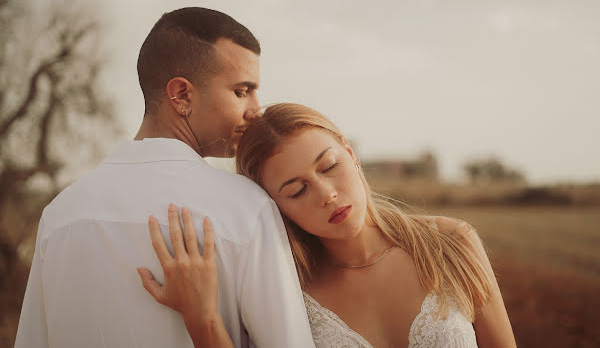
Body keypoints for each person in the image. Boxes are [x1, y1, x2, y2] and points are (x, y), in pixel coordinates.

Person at [15, 9, 315, 347]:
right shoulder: (247, 209)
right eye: (242, 91)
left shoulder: (60, 215)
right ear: (182, 95)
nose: (256, 109)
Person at [142, 103, 517, 347]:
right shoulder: (287, 289)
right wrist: (203, 318)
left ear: (351, 155)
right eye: (297, 189)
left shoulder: (451, 243)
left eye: (329, 167)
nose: (326, 195)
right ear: (276, 207)